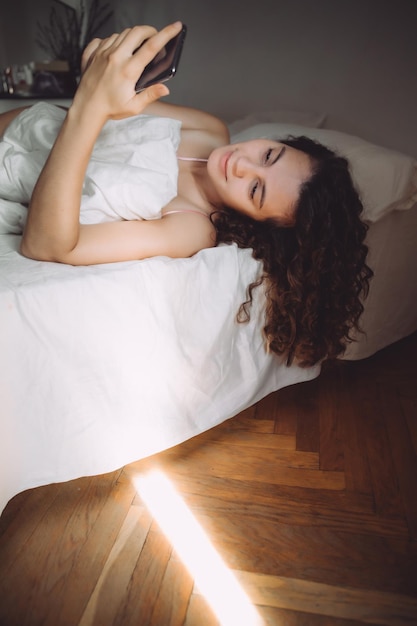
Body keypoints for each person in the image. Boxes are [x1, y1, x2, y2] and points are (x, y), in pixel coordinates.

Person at [0, 22, 372, 367]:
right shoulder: (211, 129)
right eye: (269, 154)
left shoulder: (191, 227)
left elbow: (49, 245)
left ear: (258, 223)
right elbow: (113, 105)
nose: (243, 165)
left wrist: (90, 106)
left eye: (256, 189)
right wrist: (99, 72)